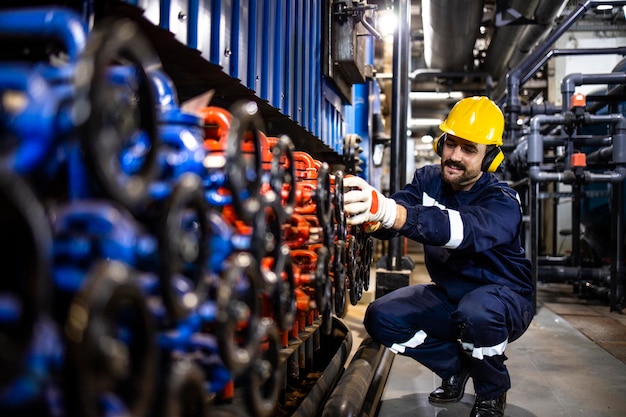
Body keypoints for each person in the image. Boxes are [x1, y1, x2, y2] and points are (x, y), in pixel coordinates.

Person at [343, 96, 534, 417]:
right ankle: (455, 368)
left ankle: (491, 392)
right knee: (380, 317)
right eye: (451, 144)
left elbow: (464, 231)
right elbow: (393, 217)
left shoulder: (502, 201)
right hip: (450, 295)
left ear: (491, 159)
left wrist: (395, 214)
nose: (455, 156)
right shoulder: (428, 180)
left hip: (503, 300)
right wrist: (371, 211)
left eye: (469, 149)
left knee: (479, 313)